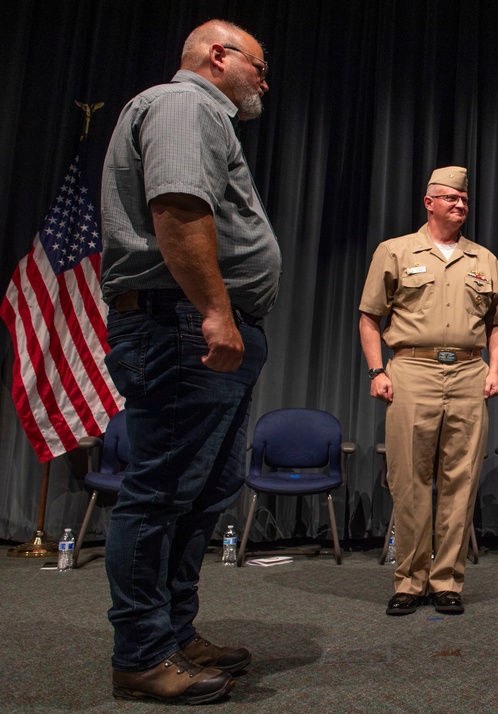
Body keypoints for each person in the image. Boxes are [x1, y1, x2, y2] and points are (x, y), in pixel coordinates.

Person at [100, 20, 280, 703]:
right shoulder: (183, 105)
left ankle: (174, 633)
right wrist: (214, 311)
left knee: (203, 491)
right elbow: (178, 209)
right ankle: (142, 653)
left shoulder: (208, 117)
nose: (264, 82)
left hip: (201, 326)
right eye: (258, 67)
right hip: (184, 325)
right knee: (161, 493)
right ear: (217, 55)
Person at [359, 166, 498, 616]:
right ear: (428, 202)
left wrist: (495, 369)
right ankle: (410, 580)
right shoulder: (394, 251)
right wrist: (377, 371)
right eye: (450, 198)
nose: (460, 205)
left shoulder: (483, 260)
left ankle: (446, 580)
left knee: (460, 481)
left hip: (468, 373)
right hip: (412, 370)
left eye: (464, 200)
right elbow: (370, 317)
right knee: (409, 480)